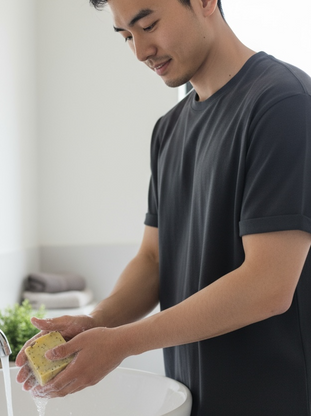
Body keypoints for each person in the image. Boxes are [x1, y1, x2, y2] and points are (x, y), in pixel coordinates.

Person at [16, 0, 311, 414]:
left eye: (149, 24)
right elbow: (154, 260)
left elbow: (269, 285)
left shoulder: (284, 105)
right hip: (192, 399)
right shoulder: (168, 130)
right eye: (126, 37)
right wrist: (95, 321)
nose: (140, 51)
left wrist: (122, 343)